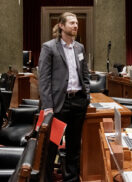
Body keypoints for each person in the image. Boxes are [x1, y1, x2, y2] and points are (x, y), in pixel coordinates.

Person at [38, 12, 90, 182]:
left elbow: (84, 73)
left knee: (74, 146)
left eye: (76, 23)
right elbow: (44, 79)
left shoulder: (79, 47)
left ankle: (71, 179)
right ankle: (46, 179)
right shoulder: (49, 47)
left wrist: (86, 95)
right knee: (51, 146)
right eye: (71, 23)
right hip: (58, 103)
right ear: (61, 26)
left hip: (78, 102)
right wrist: (47, 106)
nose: (76, 25)